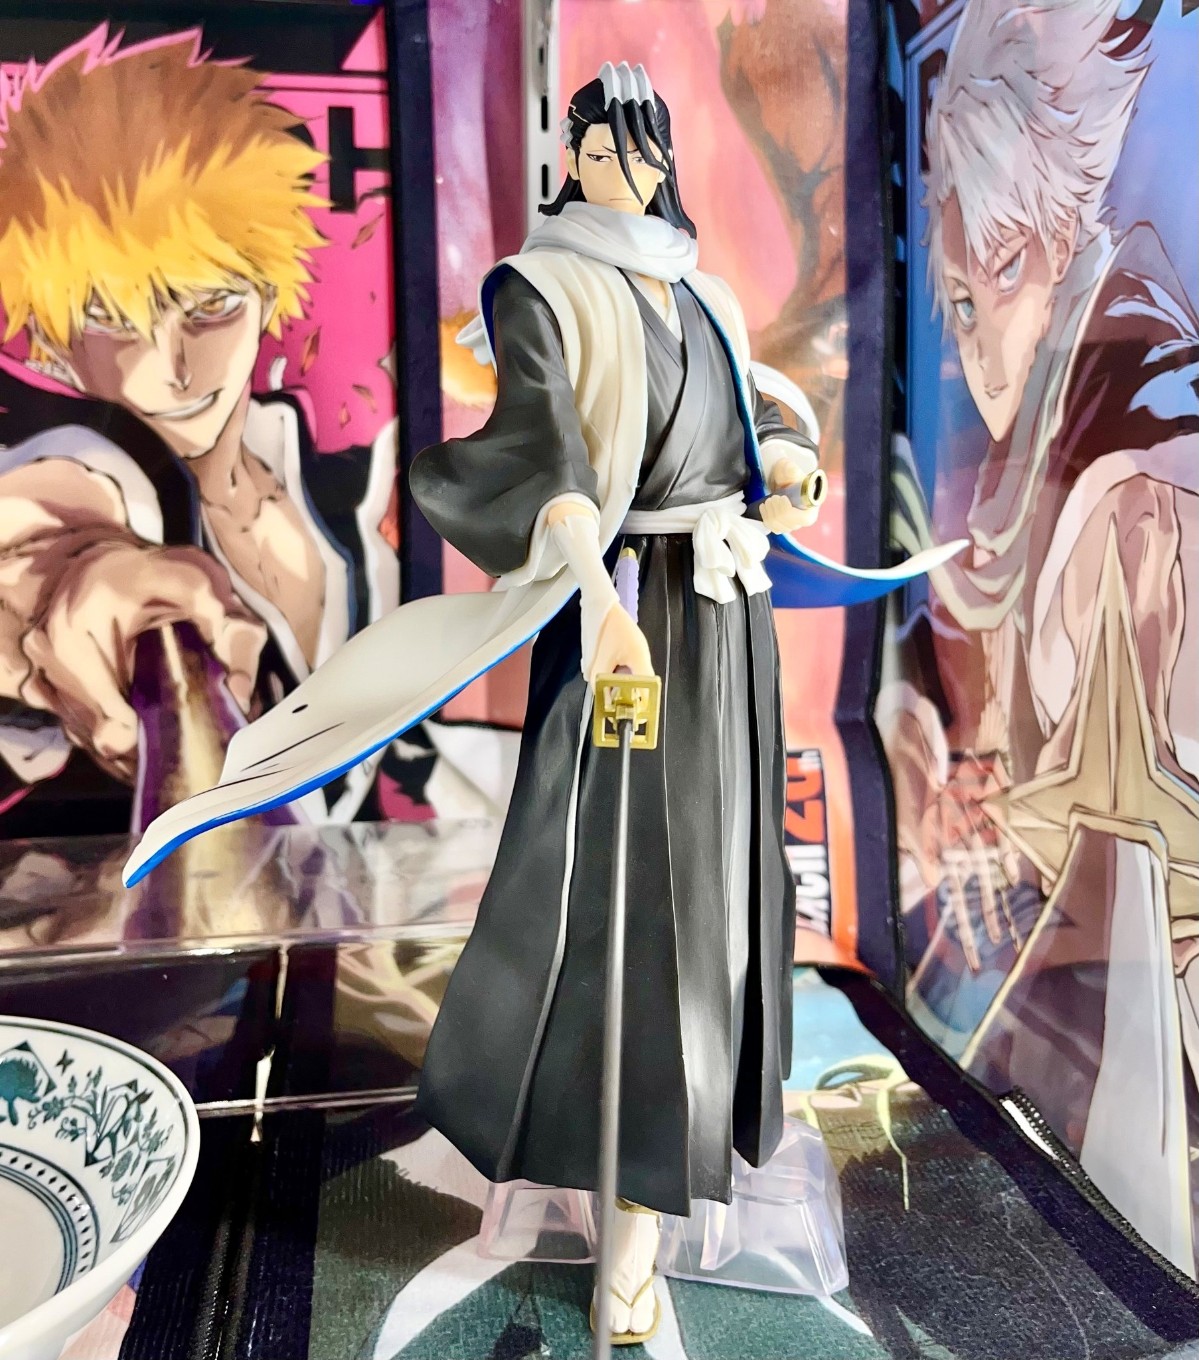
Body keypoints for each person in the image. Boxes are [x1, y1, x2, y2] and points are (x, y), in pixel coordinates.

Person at [125, 61, 959, 1342]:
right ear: (569, 156)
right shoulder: (541, 286)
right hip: (619, 610)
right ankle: (625, 1204)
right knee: (624, 908)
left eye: (634, 148)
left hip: (721, 618)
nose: (615, 169)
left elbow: (744, 424)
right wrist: (601, 603)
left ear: (660, 158)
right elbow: (547, 455)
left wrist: (783, 465)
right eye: (595, 148)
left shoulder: (698, 287)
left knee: (721, 897)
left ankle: (695, 1149)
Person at [882, 0, 1199, 1271]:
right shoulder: (1063, 453)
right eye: (956, 305)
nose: (970, 356)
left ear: (1047, 241)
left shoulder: (1142, 477)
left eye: (984, 291)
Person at [0, 26, 401, 834]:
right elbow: (45, 539)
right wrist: (79, 585)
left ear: (268, 296)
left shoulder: (337, 474)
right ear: (51, 345)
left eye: (211, 305)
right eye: (112, 321)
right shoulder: (92, 470)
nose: (172, 366)